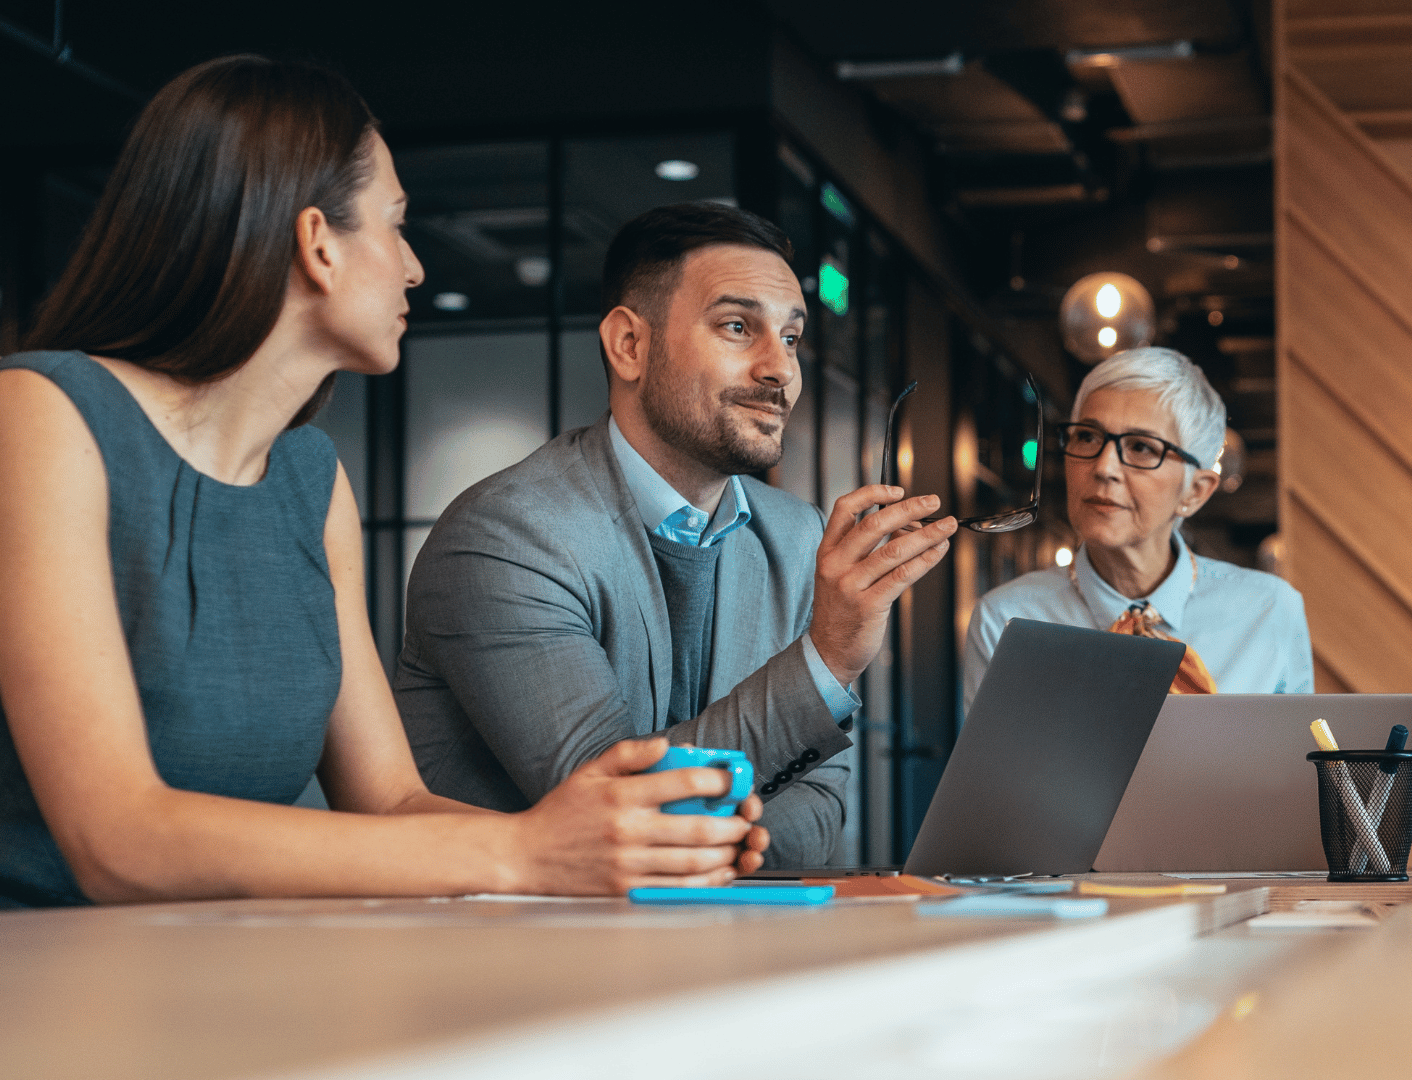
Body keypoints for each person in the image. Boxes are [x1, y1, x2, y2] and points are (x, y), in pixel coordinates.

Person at [0, 58, 771, 909]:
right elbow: (119, 839)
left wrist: (630, 847)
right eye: (396, 225)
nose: (413, 268)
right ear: (318, 244)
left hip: (218, 985)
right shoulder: (39, 415)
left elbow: (391, 802)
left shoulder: (307, 478)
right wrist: (522, 852)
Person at [395, 204, 954, 867]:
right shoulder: (507, 536)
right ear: (629, 345)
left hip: (725, 951)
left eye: (793, 338)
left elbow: (823, 798)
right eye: (738, 327)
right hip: (526, 957)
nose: (781, 370)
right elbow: (624, 808)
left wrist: (708, 843)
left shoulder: (800, 535)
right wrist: (827, 660)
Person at [963, 347, 1312, 709]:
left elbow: (1300, 763)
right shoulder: (1006, 620)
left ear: (1195, 491)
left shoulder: (1270, 611)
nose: (1104, 467)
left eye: (1142, 447)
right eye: (1087, 437)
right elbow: (991, 768)